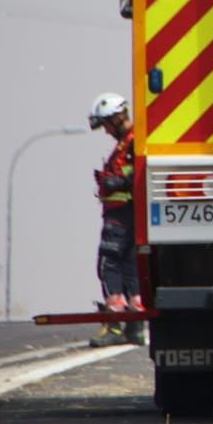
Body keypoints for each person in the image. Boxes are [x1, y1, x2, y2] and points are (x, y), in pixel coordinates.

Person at [88, 93, 143, 347]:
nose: (106, 132)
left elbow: (139, 172)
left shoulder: (133, 142)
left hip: (122, 212)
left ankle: (115, 324)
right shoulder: (129, 141)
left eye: (106, 125)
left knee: (108, 262)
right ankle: (135, 325)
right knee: (130, 264)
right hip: (131, 212)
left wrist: (116, 182)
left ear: (116, 118)